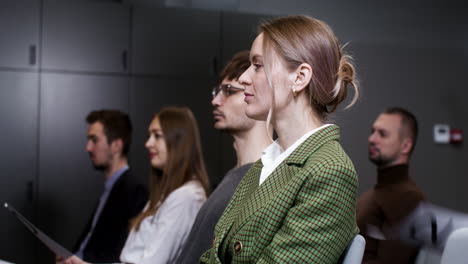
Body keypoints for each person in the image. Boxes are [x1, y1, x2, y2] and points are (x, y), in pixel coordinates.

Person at [201, 15, 360, 263]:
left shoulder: (331, 171)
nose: (243, 79)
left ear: (299, 77)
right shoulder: (269, 162)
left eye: (257, 65)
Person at [60, 106, 209, 264]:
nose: (148, 143)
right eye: (149, 135)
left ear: (178, 142)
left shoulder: (186, 197)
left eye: (157, 136)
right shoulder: (165, 195)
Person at [176, 51, 271, 264]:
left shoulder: (266, 179)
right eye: (217, 91)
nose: (216, 101)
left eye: (229, 91)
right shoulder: (236, 175)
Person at [72, 110, 148, 263]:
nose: (88, 147)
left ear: (116, 146)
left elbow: (123, 255)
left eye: (94, 140)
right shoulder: (111, 188)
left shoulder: (135, 191)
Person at [357, 107, 426, 264]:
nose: (372, 139)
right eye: (372, 131)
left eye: (382, 134)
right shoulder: (375, 193)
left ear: (405, 146)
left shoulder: (408, 198)